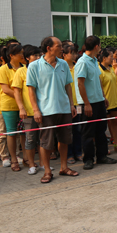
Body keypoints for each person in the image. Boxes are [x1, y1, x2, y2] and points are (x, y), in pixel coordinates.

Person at [27, 36, 79, 183]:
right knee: (46, 142)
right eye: (58, 46)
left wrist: (71, 104)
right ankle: (47, 171)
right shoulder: (34, 66)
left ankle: (64, 167)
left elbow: (68, 85)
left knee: (64, 139)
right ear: (49, 48)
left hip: (63, 109)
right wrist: (36, 110)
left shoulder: (63, 64)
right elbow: (31, 90)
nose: (62, 48)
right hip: (45, 111)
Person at [75, 36, 117, 170]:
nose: (100, 48)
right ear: (96, 46)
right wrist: (86, 104)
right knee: (88, 132)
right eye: (99, 45)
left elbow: (98, 80)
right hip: (88, 103)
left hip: (98, 101)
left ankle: (102, 155)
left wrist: (103, 96)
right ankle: (88, 158)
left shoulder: (94, 61)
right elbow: (80, 84)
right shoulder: (82, 62)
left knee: (101, 130)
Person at [13, 45, 42, 174]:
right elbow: (17, 92)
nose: (38, 58)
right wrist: (21, 108)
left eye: (39, 55)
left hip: (44, 110)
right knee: (30, 139)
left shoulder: (42, 69)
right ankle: (31, 164)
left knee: (43, 139)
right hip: (29, 113)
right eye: (35, 56)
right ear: (27, 58)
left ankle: (43, 163)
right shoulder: (21, 72)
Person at [0, 43, 26, 172]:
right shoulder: (3, 69)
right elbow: (5, 89)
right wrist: (20, 97)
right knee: (11, 132)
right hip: (9, 105)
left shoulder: (25, 67)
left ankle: (25, 157)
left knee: (24, 132)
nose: (22, 55)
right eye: (19, 53)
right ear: (11, 56)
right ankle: (13, 159)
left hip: (25, 105)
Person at [98, 48, 117, 154]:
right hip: (105, 101)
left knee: (114, 122)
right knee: (104, 125)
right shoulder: (99, 70)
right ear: (104, 58)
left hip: (114, 100)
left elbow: (114, 82)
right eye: (111, 56)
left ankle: (116, 144)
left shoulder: (111, 68)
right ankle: (104, 147)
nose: (113, 58)